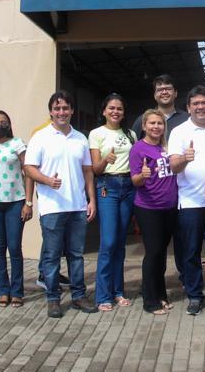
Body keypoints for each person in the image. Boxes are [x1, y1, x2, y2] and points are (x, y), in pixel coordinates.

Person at [23, 91, 99, 318]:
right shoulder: (40, 137)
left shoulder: (80, 138)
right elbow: (28, 168)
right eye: (57, 109)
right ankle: (53, 299)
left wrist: (91, 199)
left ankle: (78, 296)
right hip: (52, 208)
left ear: (72, 111)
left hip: (77, 206)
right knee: (52, 256)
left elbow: (87, 171)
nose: (61, 112)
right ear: (51, 112)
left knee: (76, 255)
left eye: (65, 108)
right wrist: (47, 180)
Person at [168, 85, 205, 315]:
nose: (200, 107)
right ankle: (194, 294)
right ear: (188, 107)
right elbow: (173, 166)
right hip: (190, 201)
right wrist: (184, 158)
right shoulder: (179, 132)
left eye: (204, 103)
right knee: (191, 252)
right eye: (195, 104)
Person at [0, 110, 33, 308]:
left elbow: (28, 172)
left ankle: (17, 291)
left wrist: (28, 202)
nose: (0, 124)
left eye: (4, 121)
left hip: (15, 202)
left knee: (14, 248)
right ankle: (3, 290)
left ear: (9, 125)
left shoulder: (17, 144)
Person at [90, 93, 137, 312]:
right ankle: (102, 296)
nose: (115, 112)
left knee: (120, 242)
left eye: (119, 108)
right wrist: (104, 160)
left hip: (128, 187)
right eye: (111, 108)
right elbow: (95, 169)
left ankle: (118, 291)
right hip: (107, 186)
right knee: (108, 242)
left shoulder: (131, 134)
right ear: (104, 111)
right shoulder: (96, 134)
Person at [130, 109, 178, 315]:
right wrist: (143, 175)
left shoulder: (167, 147)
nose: (156, 127)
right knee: (153, 253)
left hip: (170, 207)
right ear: (144, 126)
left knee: (161, 254)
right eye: (152, 123)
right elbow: (134, 180)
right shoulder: (138, 149)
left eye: (160, 123)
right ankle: (150, 301)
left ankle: (161, 295)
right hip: (149, 208)